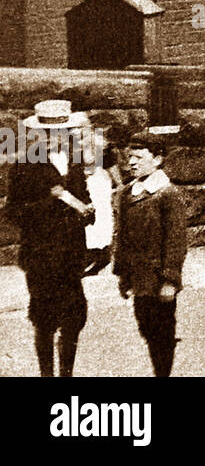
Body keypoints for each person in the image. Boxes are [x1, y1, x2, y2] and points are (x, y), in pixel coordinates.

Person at [6, 100, 94, 377]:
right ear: (39, 134)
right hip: (41, 255)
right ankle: (47, 374)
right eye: (50, 133)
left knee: (74, 317)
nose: (59, 138)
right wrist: (50, 200)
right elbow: (13, 212)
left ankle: (66, 373)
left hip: (71, 254)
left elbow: (85, 200)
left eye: (65, 132)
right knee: (44, 320)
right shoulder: (24, 166)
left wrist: (87, 212)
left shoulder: (75, 161)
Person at [115, 132, 189, 377]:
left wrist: (170, 279)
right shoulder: (128, 193)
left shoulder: (167, 194)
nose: (132, 162)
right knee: (145, 325)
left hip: (159, 279)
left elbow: (176, 241)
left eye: (138, 157)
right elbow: (122, 237)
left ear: (157, 159)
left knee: (162, 332)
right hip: (138, 278)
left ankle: (162, 373)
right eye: (129, 157)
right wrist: (123, 275)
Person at [83, 126, 116, 276]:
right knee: (95, 218)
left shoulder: (94, 142)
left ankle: (100, 254)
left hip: (97, 182)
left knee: (99, 216)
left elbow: (91, 163)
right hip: (95, 182)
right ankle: (97, 254)